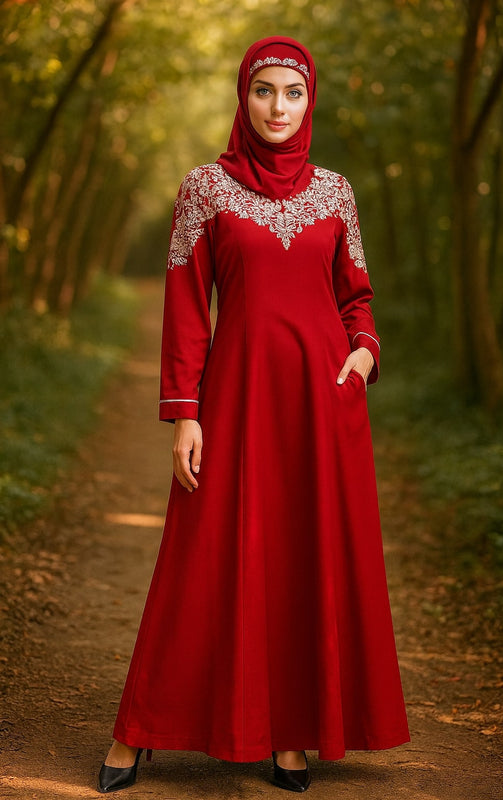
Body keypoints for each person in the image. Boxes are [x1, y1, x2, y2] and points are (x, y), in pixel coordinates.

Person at [97, 35, 409, 795]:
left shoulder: (335, 191)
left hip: (319, 406)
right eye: (263, 90)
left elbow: (356, 297)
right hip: (232, 403)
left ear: (310, 102)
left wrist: (362, 354)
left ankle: (291, 734)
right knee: (201, 553)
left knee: (301, 556)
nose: (278, 106)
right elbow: (184, 305)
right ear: (244, 96)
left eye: (292, 93)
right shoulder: (204, 187)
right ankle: (137, 728)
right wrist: (186, 412)